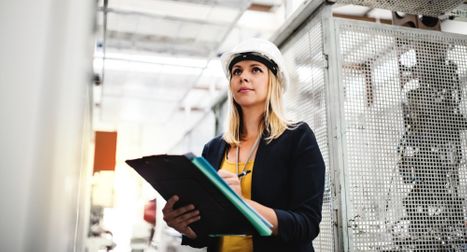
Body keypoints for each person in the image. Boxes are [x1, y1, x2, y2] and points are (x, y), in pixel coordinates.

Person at [162, 38, 325, 252]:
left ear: (273, 82)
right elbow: (205, 233)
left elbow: (307, 224)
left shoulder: (297, 138)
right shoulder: (214, 148)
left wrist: (239, 204)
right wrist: (185, 225)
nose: (243, 77)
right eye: (237, 71)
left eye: (256, 70)